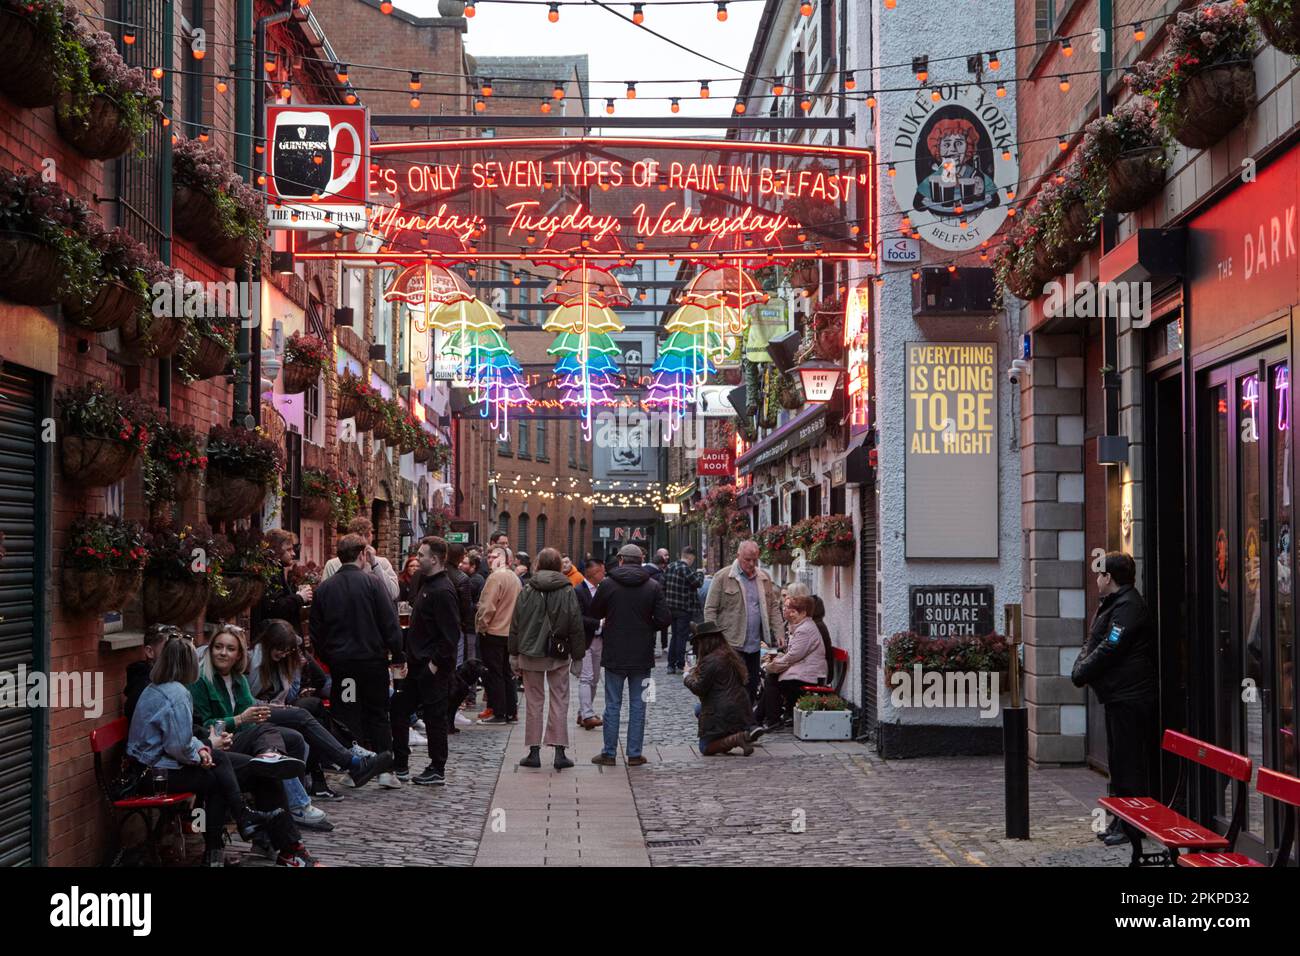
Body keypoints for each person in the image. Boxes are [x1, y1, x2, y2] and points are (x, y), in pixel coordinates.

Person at [127, 635, 319, 867]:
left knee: (255, 768)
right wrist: (200, 753)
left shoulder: (160, 688)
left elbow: (184, 737)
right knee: (217, 773)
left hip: (166, 764)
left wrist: (202, 749)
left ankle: (266, 838)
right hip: (156, 773)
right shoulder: (176, 693)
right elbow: (178, 746)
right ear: (188, 663)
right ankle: (245, 839)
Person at [1072, 551, 1159, 848]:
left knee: (1130, 764)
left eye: (1099, 574)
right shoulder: (1116, 604)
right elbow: (1094, 641)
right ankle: (1121, 819)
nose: (1096, 579)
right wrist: (1082, 665)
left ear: (1108, 578)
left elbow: (1110, 646)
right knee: (1119, 763)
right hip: (1118, 696)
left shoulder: (1128, 606)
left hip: (1130, 697)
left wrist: (1082, 670)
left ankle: (1131, 825)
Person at [249, 619, 371, 801]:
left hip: (274, 710)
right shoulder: (254, 661)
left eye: (286, 650)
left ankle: (323, 779)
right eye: (279, 648)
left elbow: (291, 692)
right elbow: (246, 700)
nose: (282, 653)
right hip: (256, 713)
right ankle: (349, 758)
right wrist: (273, 705)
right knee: (305, 713)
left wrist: (297, 669)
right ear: (268, 643)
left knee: (313, 710)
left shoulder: (283, 663)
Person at [310, 533, 403, 767]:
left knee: (348, 713)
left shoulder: (325, 589)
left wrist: (329, 657)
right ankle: (385, 769)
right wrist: (397, 653)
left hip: (344, 667)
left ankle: (355, 767)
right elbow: (389, 622)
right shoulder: (373, 584)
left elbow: (316, 632)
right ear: (362, 555)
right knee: (378, 714)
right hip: (372, 664)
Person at [589, 544, 671, 766]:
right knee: (640, 704)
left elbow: (594, 611)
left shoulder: (607, 584)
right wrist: (647, 626)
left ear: (621, 560)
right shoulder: (653, 586)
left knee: (612, 704)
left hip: (614, 653)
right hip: (643, 656)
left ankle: (609, 753)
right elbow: (664, 619)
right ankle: (634, 753)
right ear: (641, 560)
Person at [391, 535, 461, 786]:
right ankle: (400, 763)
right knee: (399, 710)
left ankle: (437, 768)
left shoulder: (442, 590)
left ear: (435, 559)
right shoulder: (426, 584)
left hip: (432, 668)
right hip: (418, 664)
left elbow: (450, 635)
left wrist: (434, 664)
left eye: (421, 555)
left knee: (434, 717)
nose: (417, 558)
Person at [509, 548, 586, 770]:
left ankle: (533, 752)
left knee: (533, 701)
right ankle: (559, 751)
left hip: (530, 651)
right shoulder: (567, 589)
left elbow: (516, 623)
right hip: (558, 651)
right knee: (559, 699)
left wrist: (513, 653)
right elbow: (575, 624)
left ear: (538, 564)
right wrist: (578, 656)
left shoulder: (527, 589)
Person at [704, 539, 784, 701]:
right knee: (732, 685)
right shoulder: (723, 577)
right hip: (730, 642)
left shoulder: (763, 578)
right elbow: (710, 609)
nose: (751, 563)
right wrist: (713, 640)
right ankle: (733, 723)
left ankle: (748, 722)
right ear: (738, 555)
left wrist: (779, 631)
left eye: (755, 559)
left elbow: (773, 607)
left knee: (751, 684)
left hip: (754, 644)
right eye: (747, 559)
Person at [684, 621, 766, 756]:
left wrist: (687, 676)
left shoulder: (710, 660)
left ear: (704, 642)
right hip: (741, 706)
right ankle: (731, 734)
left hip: (723, 710)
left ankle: (736, 738)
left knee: (705, 748)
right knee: (698, 709)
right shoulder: (730, 654)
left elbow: (699, 689)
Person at [755, 591, 828, 730]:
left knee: (772, 679)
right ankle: (762, 718)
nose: (787, 612)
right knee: (772, 679)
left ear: (802, 613)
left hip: (810, 676)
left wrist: (769, 666)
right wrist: (775, 661)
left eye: (791, 610)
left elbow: (792, 657)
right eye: (787, 608)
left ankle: (768, 719)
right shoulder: (800, 627)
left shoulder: (805, 630)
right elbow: (791, 655)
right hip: (802, 672)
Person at [475, 545, 522, 724]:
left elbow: (487, 607)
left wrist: (482, 626)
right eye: (489, 556)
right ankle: (511, 711)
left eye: (494, 556)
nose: (490, 559)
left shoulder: (496, 577)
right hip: (509, 631)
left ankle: (499, 713)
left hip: (494, 631)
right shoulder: (514, 578)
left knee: (495, 674)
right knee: (506, 673)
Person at [320, 517, 400, 601]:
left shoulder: (381, 563)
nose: (363, 540)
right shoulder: (333, 564)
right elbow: (325, 595)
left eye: (366, 535)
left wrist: (375, 565)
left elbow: (393, 593)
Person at [258, 529, 313, 635]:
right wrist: (300, 598)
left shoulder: (277, 569)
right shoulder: (270, 572)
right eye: (288, 549)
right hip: (275, 637)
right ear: (275, 550)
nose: (293, 553)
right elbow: (276, 607)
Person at [124, 623, 179, 722]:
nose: (176, 655)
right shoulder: (145, 691)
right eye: (169, 649)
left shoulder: (174, 679)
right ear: (150, 652)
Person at [575, 557, 606, 730]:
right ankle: (587, 715)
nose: (604, 574)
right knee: (586, 678)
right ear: (594, 573)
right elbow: (577, 617)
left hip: (599, 639)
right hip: (584, 640)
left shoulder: (603, 589)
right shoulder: (578, 591)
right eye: (602, 571)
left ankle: (583, 712)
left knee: (594, 679)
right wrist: (599, 623)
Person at [663, 547, 704, 675]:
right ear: (690, 557)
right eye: (693, 560)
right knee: (681, 637)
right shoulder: (685, 568)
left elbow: (663, 585)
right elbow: (697, 583)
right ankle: (680, 664)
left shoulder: (670, 566)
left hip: (671, 607)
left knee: (674, 636)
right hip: (683, 607)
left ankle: (670, 664)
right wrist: (700, 573)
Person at [446, 541, 476, 666]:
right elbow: (466, 607)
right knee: (455, 663)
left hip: (436, 624)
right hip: (455, 625)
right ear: (461, 557)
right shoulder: (462, 578)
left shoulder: (436, 572)